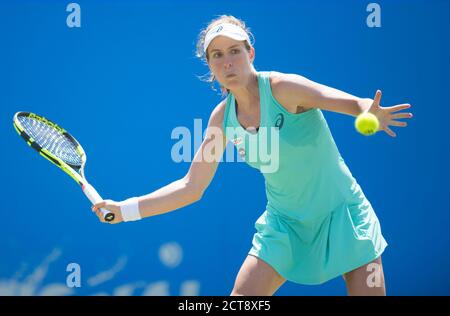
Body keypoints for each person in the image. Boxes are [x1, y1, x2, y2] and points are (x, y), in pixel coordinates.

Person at [92, 15, 413, 296]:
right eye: (217, 55)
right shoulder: (222, 119)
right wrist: (124, 210)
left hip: (344, 215)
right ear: (210, 67)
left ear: (251, 53)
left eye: (235, 51)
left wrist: (367, 111)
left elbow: (349, 103)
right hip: (284, 226)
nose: (227, 62)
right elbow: (191, 187)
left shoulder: (284, 88)